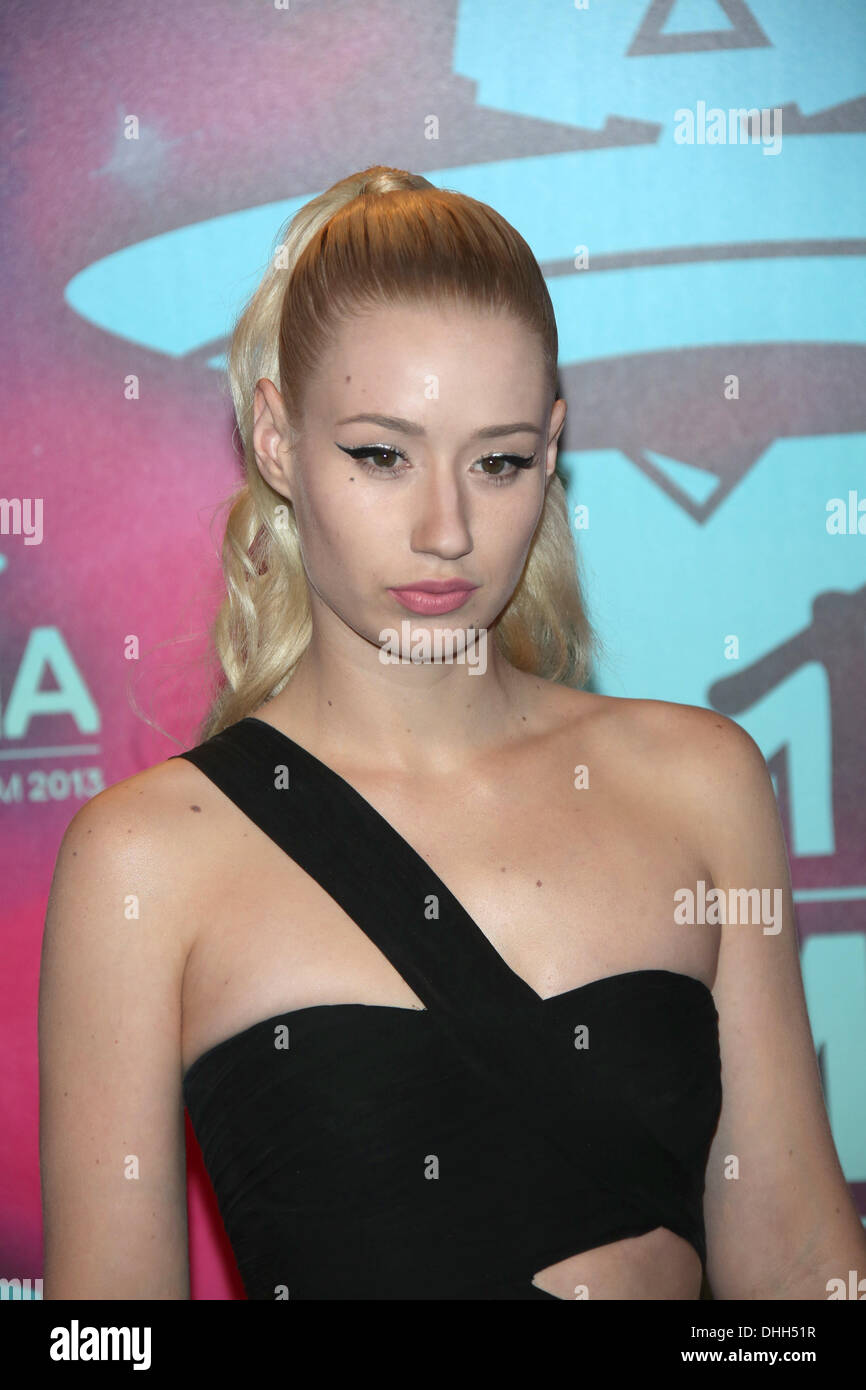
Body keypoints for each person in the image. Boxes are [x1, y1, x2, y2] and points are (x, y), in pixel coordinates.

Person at [39, 165, 865, 1301]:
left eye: (499, 461)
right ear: (277, 441)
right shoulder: (146, 861)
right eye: (380, 454)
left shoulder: (698, 783)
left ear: (553, 448)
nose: (446, 529)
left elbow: (801, 1267)